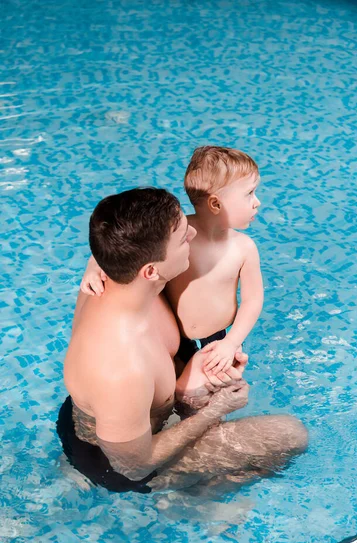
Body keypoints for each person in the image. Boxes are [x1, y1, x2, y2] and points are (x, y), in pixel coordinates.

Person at [60, 188, 307, 493]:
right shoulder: (120, 368)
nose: (192, 232)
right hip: (118, 463)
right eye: (181, 237)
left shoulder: (117, 270)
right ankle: (193, 499)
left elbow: (113, 232)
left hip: (141, 412)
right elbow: (133, 465)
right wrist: (214, 410)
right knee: (288, 435)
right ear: (150, 270)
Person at [81, 146, 263, 377]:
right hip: (175, 339)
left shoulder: (244, 248)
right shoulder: (176, 233)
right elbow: (123, 240)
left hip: (219, 339)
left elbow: (252, 300)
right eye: (249, 193)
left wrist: (232, 342)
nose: (257, 202)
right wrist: (94, 265)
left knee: (219, 393)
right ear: (216, 204)